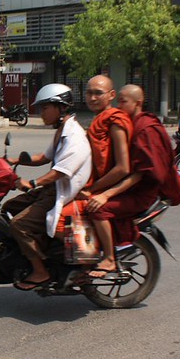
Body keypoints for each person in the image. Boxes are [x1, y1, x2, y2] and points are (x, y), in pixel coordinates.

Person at [2, 84, 92, 290]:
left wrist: (33, 183)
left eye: (44, 108)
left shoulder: (75, 136)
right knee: (8, 208)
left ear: (60, 108)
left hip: (61, 192)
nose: (41, 113)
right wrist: (13, 160)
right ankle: (34, 251)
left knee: (19, 224)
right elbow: (44, 157)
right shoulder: (62, 131)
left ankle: (40, 270)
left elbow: (60, 171)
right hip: (52, 189)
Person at [86, 85, 180, 249]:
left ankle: (109, 257)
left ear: (138, 103)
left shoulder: (146, 128)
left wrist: (105, 194)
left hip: (142, 194)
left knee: (96, 208)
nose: (119, 106)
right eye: (118, 101)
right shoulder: (129, 123)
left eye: (123, 102)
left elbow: (140, 173)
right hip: (129, 188)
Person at [76, 74, 133, 277]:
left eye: (97, 93)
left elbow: (122, 167)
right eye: (89, 93)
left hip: (110, 186)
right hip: (95, 181)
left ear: (111, 95)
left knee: (93, 209)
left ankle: (109, 258)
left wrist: (94, 189)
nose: (92, 98)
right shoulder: (98, 119)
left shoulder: (115, 121)